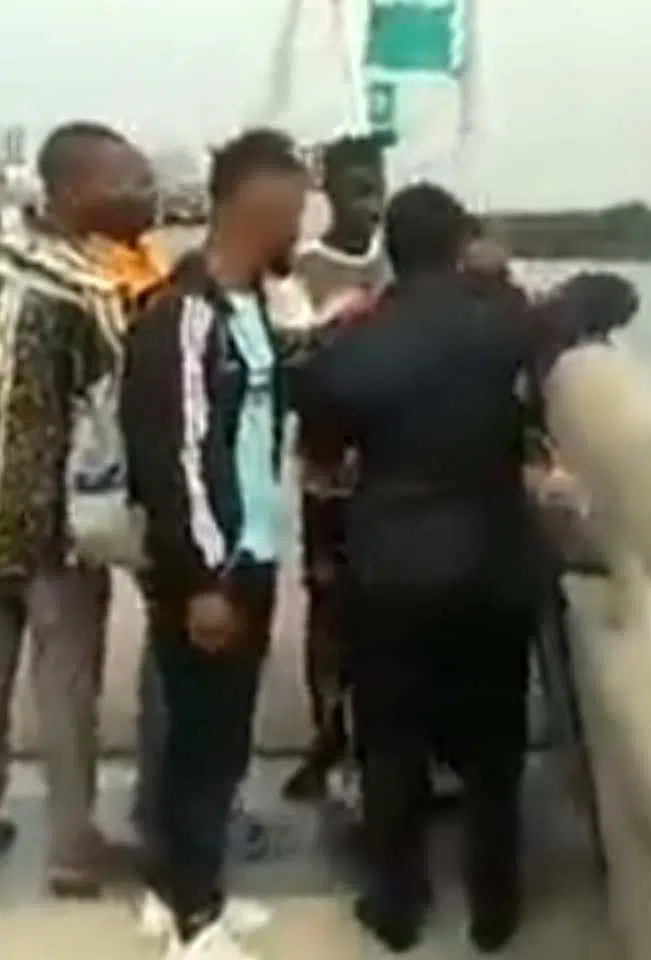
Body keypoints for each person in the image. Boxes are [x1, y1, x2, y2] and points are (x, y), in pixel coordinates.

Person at [296, 183, 543, 953]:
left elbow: (323, 459)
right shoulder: (509, 322)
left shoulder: (354, 343)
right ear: (461, 243)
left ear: (388, 249)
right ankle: (495, 907)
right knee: (496, 742)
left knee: (392, 742)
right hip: (495, 552)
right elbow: (610, 298)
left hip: (391, 562)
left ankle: (397, 904)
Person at [121, 127, 310, 960]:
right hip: (212, 566)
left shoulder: (253, 308)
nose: (299, 227)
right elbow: (179, 456)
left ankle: (185, 889)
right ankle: (192, 923)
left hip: (254, 551)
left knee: (220, 737)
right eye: (293, 211)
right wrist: (202, 577)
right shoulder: (184, 315)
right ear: (255, 207)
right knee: (197, 741)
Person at [0, 121, 131, 898]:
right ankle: (73, 850)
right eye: (122, 180)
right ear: (75, 190)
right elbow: (117, 403)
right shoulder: (87, 286)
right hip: (56, 525)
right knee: (65, 686)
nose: (139, 193)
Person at [281, 132, 391, 804]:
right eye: (356, 188)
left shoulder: (402, 262)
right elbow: (291, 362)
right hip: (328, 476)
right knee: (328, 608)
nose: (369, 202)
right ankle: (326, 734)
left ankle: (381, 742)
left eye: (376, 186)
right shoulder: (301, 269)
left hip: (393, 471)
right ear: (329, 192)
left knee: (387, 611)